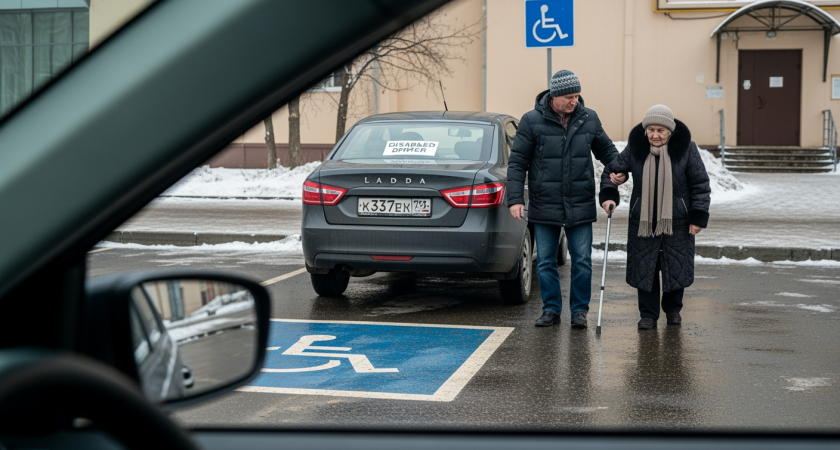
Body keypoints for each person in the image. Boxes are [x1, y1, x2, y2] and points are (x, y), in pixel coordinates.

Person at [507, 69, 623, 328]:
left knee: (581, 260)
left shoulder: (588, 118)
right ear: (554, 95)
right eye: (569, 97)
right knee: (546, 261)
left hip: (579, 201)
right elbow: (517, 163)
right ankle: (551, 309)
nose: (575, 101)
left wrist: (620, 171)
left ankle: (579, 311)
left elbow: (607, 151)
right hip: (544, 201)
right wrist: (515, 198)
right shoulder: (531, 120)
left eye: (577, 96)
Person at [599, 105, 711, 329]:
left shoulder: (686, 149)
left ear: (670, 130)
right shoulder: (635, 149)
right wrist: (609, 194)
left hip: (678, 220)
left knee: (675, 263)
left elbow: (700, 185)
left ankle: (673, 311)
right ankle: (648, 315)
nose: (655, 135)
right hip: (643, 221)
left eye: (660, 130)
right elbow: (609, 173)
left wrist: (698, 217)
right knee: (645, 266)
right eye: (651, 129)